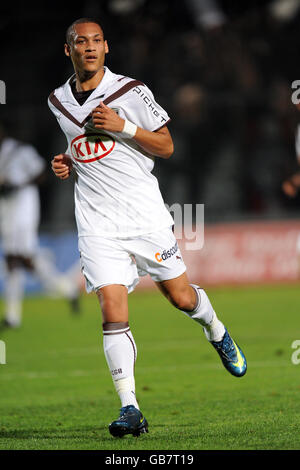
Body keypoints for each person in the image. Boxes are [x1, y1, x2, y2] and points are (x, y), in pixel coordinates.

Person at [49, 17, 247, 438]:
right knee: (111, 309)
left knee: (180, 298)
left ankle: (216, 329)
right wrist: (66, 161)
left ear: (107, 48)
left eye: (97, 41)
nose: (90, 47)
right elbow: (79, 144)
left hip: (143, 216)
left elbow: (167, 145)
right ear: (68, 50)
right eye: (80, 42)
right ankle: (130, 408)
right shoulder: (57, 101)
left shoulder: (130, 91)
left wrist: (123, 125)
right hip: (96, 221)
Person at [0, 124, 80, 329]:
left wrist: (18, 184)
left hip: (24, 206)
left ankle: (14, 315)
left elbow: (41, 174)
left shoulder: (20, 151)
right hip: (6, 208)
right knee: (15, 259)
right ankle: (13, 315)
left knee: (20, 259)